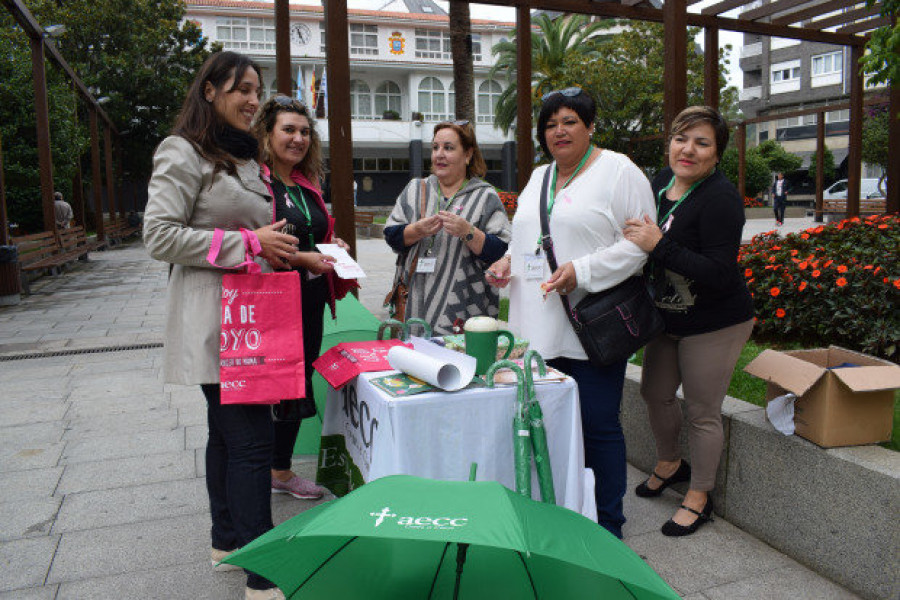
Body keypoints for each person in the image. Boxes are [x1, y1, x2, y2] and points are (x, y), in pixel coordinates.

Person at [143, 51, 297, 600]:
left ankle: (228, 541)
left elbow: (253, 231)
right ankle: (263, 572)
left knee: (228, 438)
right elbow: (158, 235)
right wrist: (249, 243)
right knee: (252, 442)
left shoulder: (247, 158)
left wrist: (288, 251)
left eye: (257, 90)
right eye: (242, 89)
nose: (253, 100)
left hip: (253, 315)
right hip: (217, 321)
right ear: (209, 90)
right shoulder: (181, 152)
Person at [486, 87, 655, 539]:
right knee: (550, 426)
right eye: (550, 124)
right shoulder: (539, 176)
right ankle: (561, 510)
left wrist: (582, 270)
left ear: (590, 125)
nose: (559, 130)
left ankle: (607, 523)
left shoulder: (619, 172)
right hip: (533, 330)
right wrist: (506, 263)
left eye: (570, 121)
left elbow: (640, 245)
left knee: (598, 426)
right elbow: (526, 240)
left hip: (589, 329)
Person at [623, 106, 754, 537]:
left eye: (702, 143)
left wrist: (660, 245)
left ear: (717, 154)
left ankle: (700, 495)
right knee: (655, 391)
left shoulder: (721, 199)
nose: (688, 150)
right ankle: (669, 463)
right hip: (666, 317)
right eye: (681, 139)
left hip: (716, 321)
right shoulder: (660, 183)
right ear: (670, 142)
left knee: (702, 410)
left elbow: (719, 271)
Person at [251, 94, 356, 502]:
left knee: (296, 383)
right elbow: (260, 242)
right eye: (288, 130)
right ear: (266, 133)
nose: (298, 138)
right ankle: (258, 467)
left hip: (308, 299)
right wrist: (305, 256)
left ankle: (279, 469)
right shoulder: (256, 184)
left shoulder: (305, 183)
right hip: (271, 301)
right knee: (270, 384)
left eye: (305, 132)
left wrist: (331, 246)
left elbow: (314, 234)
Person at [384, 120, 510, 334]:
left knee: (460, 364)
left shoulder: (484, 195)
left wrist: (468, 232)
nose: (439, 154)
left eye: (448, 148)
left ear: (468, 154)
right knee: (417, 364)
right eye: (435, 148)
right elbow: (391, 235)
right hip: (414, 303)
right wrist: (416, 231)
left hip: (466, 306)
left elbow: (501, 250)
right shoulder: (416, 189)